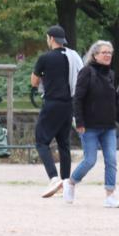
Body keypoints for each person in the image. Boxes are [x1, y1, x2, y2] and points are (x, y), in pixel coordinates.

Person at [64, 41, 119, 207]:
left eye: (110, 52)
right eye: (104, 52)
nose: (108, 55)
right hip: (89, 126)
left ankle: (110, 196)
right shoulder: (86, 72)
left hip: (108, 126)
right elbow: (77, 98)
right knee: (90, 160)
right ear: (94, 55)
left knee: (111, 160)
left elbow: (115, 100)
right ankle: (71, 182)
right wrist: (79, 121)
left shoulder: (110, 74)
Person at [32, 26, 77, 197]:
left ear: (50, 38)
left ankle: (53, 177)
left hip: (52, 103)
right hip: (68, 104)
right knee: (64, 144)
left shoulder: (45, 58)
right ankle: (66, 183)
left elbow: (34, 81)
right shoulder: (72, 57)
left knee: (41, 141)